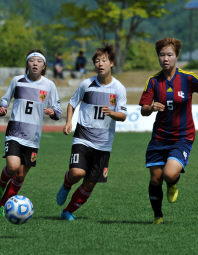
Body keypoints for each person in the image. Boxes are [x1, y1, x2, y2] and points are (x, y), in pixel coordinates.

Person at [139, 37, 198, 224]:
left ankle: (173, 184)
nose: (165, 58)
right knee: (156, 179)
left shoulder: (188, 78)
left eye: (169, 55)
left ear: (176, 56)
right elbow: (143, 110)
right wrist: (151, 107)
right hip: (159, 137)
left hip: (182, 136)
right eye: (162, 55)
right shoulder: (153, 81)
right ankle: (158, 216)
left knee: (169, 174)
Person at [56, 45, 127, 221]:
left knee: (90, 183)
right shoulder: (86, 84)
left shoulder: (119, 88)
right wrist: (69, 122)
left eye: (103, 60)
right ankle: (66, 183)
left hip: (103, 144)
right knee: (77, 173)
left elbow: (123, 115)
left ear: (111, 63)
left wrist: (112, 113)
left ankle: (68, 211)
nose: (100, 64)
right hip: (83, 137)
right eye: (97, 61)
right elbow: (72, 103)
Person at [0, 49, 62, 216]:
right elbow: (5, 99)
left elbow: (58, 109)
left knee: (21, 175)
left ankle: (2, 205)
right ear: (27, 64)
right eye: (32, 60)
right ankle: (1, 184)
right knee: (13, 166)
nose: (35, 63)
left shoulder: (49, 85)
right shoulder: (17, 81)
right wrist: (2, 107)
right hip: (15, 130)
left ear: (44, 66)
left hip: (33, 136)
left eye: (39, 61)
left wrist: (53, 112)